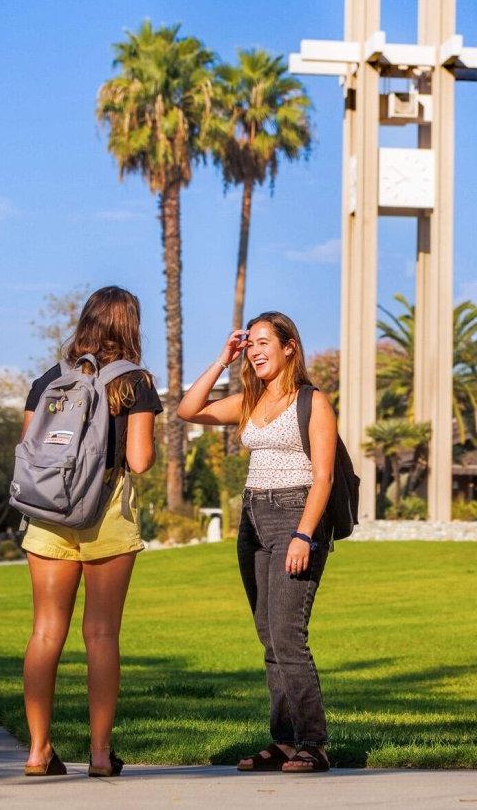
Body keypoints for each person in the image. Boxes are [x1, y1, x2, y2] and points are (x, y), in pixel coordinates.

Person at [177, 311, 337, 773]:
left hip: (295, 514)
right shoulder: (249, 400)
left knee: (288, 635)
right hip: (252, 519)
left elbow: (323, 478)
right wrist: (221, 359)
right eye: (251, 344)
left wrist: (304, 533)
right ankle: (285, 741)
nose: (256, 350)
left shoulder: (314, 401)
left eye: (265, 342)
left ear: (290, 347)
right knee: (269, 636)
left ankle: (314, 742)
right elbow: (189, 410)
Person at [20, 286, 162, 777]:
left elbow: (29, 451)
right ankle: (100, 756)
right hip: (106, 515)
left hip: (48, 516)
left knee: (45, 631)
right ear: (130, 327)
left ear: (86, 322)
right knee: (101, 633)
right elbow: (140, 462)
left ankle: (39, 752)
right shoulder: (133, 382)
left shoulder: (47, 381)